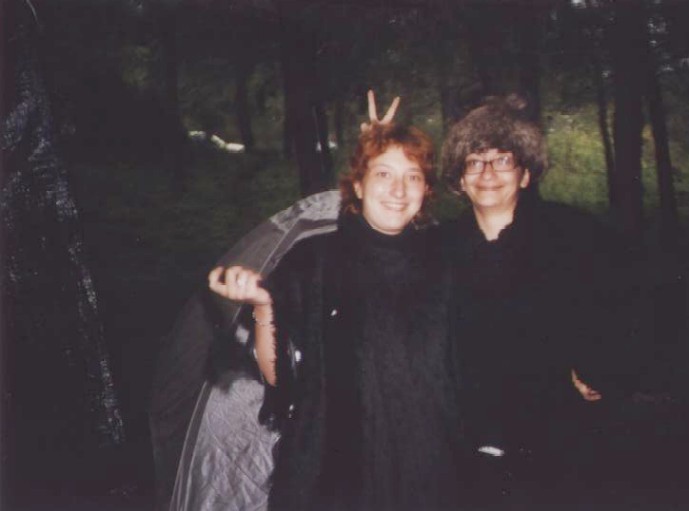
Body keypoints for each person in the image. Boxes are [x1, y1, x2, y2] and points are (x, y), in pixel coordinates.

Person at [208, 119, 463, 511]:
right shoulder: (314, 261)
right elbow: (279, 379)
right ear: (357, 185)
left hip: (430, 469)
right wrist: (263, 306)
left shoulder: (448, 260)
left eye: (412, 176)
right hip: (336, 473)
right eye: (383, 173)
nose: (398, 190)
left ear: (426, 190)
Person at [440, 94, 608, 506]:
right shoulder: (435, 249)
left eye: (503, 159)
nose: (488, 173)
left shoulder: (573, 235)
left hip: (554, 443)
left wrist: (601, 366)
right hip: (462, 444)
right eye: (475, 161)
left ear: (526, 174)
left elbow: (625, 306)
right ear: (460, 179)